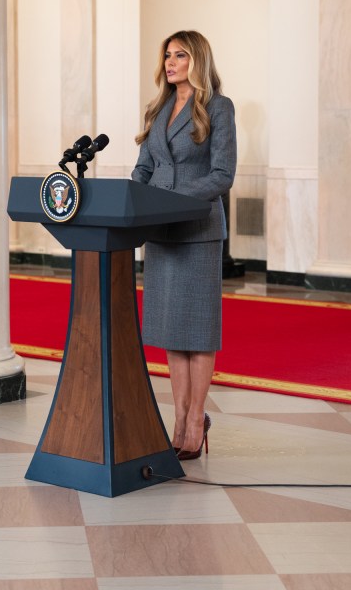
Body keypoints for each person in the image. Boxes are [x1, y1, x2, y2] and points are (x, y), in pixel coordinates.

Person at [131, 30, 237, 460]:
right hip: (159, 232)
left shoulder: (218, 107)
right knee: (172, 332)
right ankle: (177, 419)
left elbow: (221, 175)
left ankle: (197, 420)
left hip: (196, 229)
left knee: (198, 331)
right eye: (167, 55)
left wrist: (173, 200)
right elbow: (144, 168)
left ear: (198, 60)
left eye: (180, 55)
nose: (170, 62)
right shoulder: (157, 109)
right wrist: (131, 202)